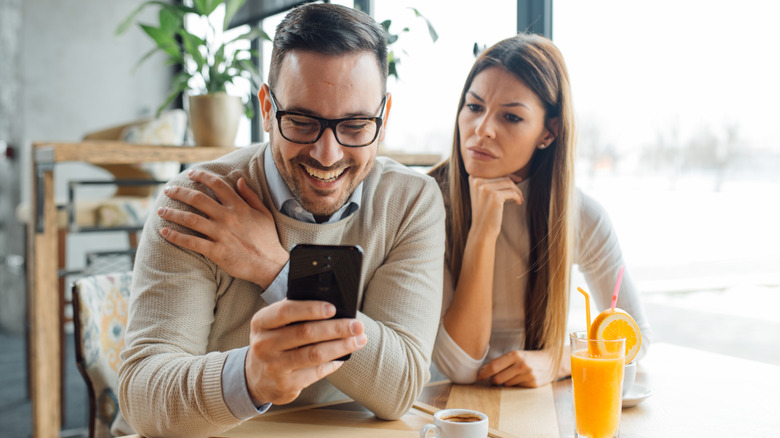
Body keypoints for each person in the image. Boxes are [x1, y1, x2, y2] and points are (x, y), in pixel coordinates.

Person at [118, 4, 445, 437]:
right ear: (268, 108)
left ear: (382, 119)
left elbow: (398, 388)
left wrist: (278, 268)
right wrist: (250, 379)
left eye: (355, 125)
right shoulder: (199, 200)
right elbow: (142, 397)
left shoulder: (411, 201)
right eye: (303, 121)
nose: (327, 154)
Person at [428, 33, 652, 387]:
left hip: (537, 411)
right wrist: (483, 231)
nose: (482, 130)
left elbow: (635, 337)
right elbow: (460, 368)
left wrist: (560, 360)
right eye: (474, 107)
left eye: (511, 117)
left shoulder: (581, 217)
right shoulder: (425, 205)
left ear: (549, 132)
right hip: (442, 413)